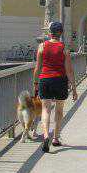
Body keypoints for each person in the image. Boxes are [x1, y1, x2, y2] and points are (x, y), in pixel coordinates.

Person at [33, 22, 78, 153]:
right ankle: (56, 138)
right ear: (61, 33)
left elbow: (37, 68)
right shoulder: (64, 48)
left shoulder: (41, 46)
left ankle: (46, 135)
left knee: (45, 110)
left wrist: (35, 84)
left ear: (49, 33)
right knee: (59, 110)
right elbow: (69, 70)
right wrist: (74, 88)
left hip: (45, 80)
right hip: (60, 81)